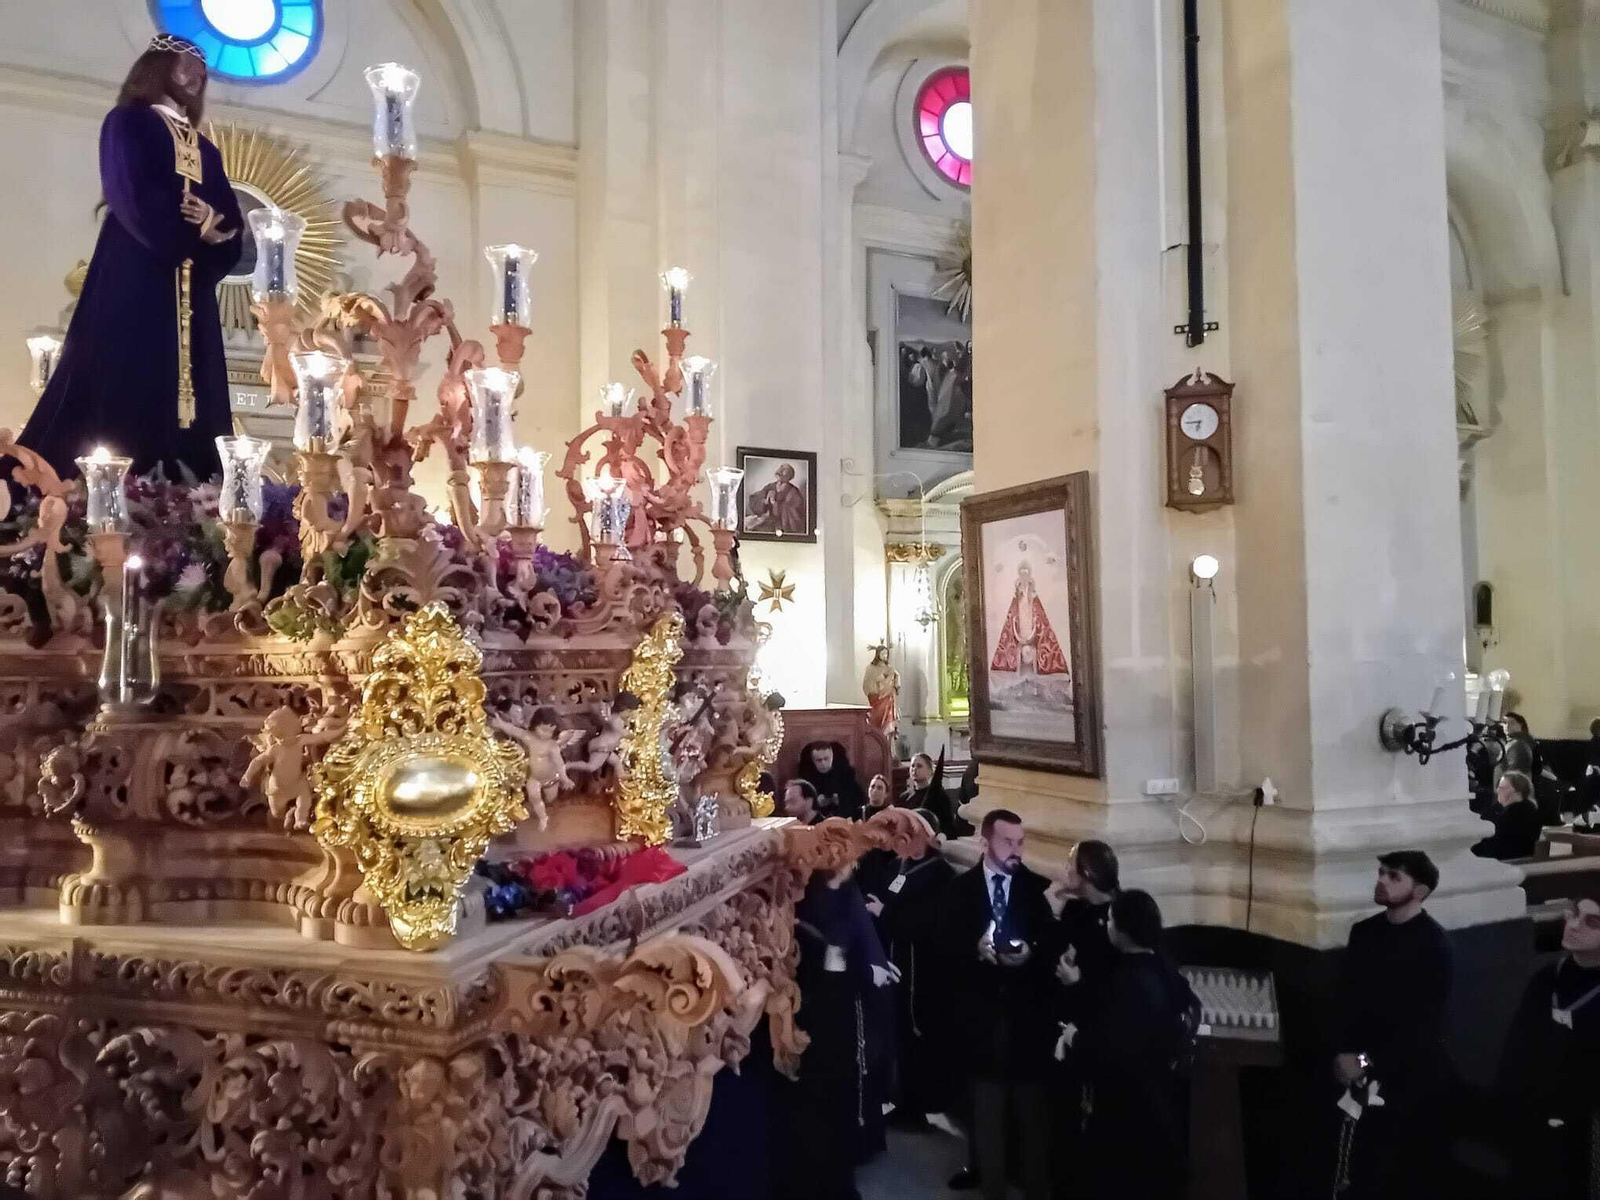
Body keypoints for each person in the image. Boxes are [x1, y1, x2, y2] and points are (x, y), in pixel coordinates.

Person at [18, 34, 242, 480]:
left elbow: (228, 220)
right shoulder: (128, 122)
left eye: (202, 73)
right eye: (186, 65)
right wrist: (185, 232)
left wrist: (212, 225)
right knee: (124, 369)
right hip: (136, 268)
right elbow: (130, 192)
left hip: (189, 286)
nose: (196, 77)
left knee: (196, 385)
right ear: (157, 66)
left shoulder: (206, 150)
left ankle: (190, 492)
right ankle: (108, 487)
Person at [1055, 889, 1199, 1197]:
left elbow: (1110, 1048)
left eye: (1110, 920)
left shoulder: (1131, 982)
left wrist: (1073, 1036)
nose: (1107, 925)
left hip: (1128, 1111)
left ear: (1123, 930)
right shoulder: (1162, 964)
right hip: (1162, 1102)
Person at [942, 809, 1053, 1200]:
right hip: (980, 1015)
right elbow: (944, 947)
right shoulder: (960, 891)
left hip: (1026, 1017)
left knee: (1031, 1112)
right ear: (985, 842)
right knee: (986, 1110)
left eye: (1020, 843)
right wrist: (974, 949)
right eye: (1008, 842)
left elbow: (1049, 943)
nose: (1016, 850)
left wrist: (1031, 952)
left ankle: (1035, 1187)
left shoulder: (1035, 890)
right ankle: (992, 1187)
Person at [1332, 851, 1454, 1200]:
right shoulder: (1365, 933)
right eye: (1382, 873)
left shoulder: (1434, 945)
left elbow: (1421, 1028)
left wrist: (1364, 1061)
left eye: (1394, 876)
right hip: (1354, 1066)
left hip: (1406, 1076)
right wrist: (1344, 1053)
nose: (1382, 880)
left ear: (1420, 891)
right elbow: (1347, 1001)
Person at [780, 863, 895, 1200]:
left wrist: (873, 968)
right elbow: (829, 962)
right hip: (821, 1021)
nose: (853, 864)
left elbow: (851, 947)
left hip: (842, 1018)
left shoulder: (842, 894)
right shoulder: (812, 902)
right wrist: (866, 972)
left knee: (841, 1097)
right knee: (824, 1103)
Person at [1497, 898, 1600, 1200]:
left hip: (1583, 1121)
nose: (1574, 925)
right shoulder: (1546, 978)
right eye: (1574, 914)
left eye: (1592, 922)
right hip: (1532, 1113)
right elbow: (1515, 1050)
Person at [862, 808, 957, 1130]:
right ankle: (900, 1100)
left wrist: (886, 913)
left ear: (925, 836)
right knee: (896, 1035)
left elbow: (932, 921)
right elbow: (881, 892)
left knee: (916, 1038)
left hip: (921, 969)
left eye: (909, 833)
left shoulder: (940, 874)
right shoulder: (897, 865)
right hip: (895, 959)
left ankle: (916, 1108)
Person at [1044, 840, 1121, 1199]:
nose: (1065, 869)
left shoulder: (1117, 920)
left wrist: (1078, 983)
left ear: (1087, 873)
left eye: (1070, 863)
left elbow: (1116, 985)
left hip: (1096, 1039)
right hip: (1066, 1028)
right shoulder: (1077, 910)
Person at [1471, 771, 1542, 860]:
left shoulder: (1516, 815)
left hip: (1507, 861)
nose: (1497, 790)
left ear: (1517, 791)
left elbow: (1499, 846)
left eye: (1502, 788)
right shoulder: (1526, 810)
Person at [797, 741, 868, 821]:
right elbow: (800, 805)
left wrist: (840, 799)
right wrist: (815, 802)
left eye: (826, 759)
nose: (823, 763)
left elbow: (861, 800)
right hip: (816, 821)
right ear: (813, 761)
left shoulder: (846, 774)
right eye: (819, 760)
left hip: (843, 819)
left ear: (832, 757)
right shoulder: (807, 778)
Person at [902, 749, 962, 837]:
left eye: (919, 766)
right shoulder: (905, 797)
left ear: (930, 771)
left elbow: (948, 826)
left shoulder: (939, 796)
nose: (914, 769)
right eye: (912, 766)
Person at [745, 462, 808, 535]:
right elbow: (754, 498)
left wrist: (774, 503)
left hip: (782, 525)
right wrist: (765, 501)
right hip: (766, 520)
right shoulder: (771, 486)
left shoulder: (793, 491)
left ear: (789, 477)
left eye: (783, 473)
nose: (780, 474)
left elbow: (795, 512)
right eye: (779, 472)